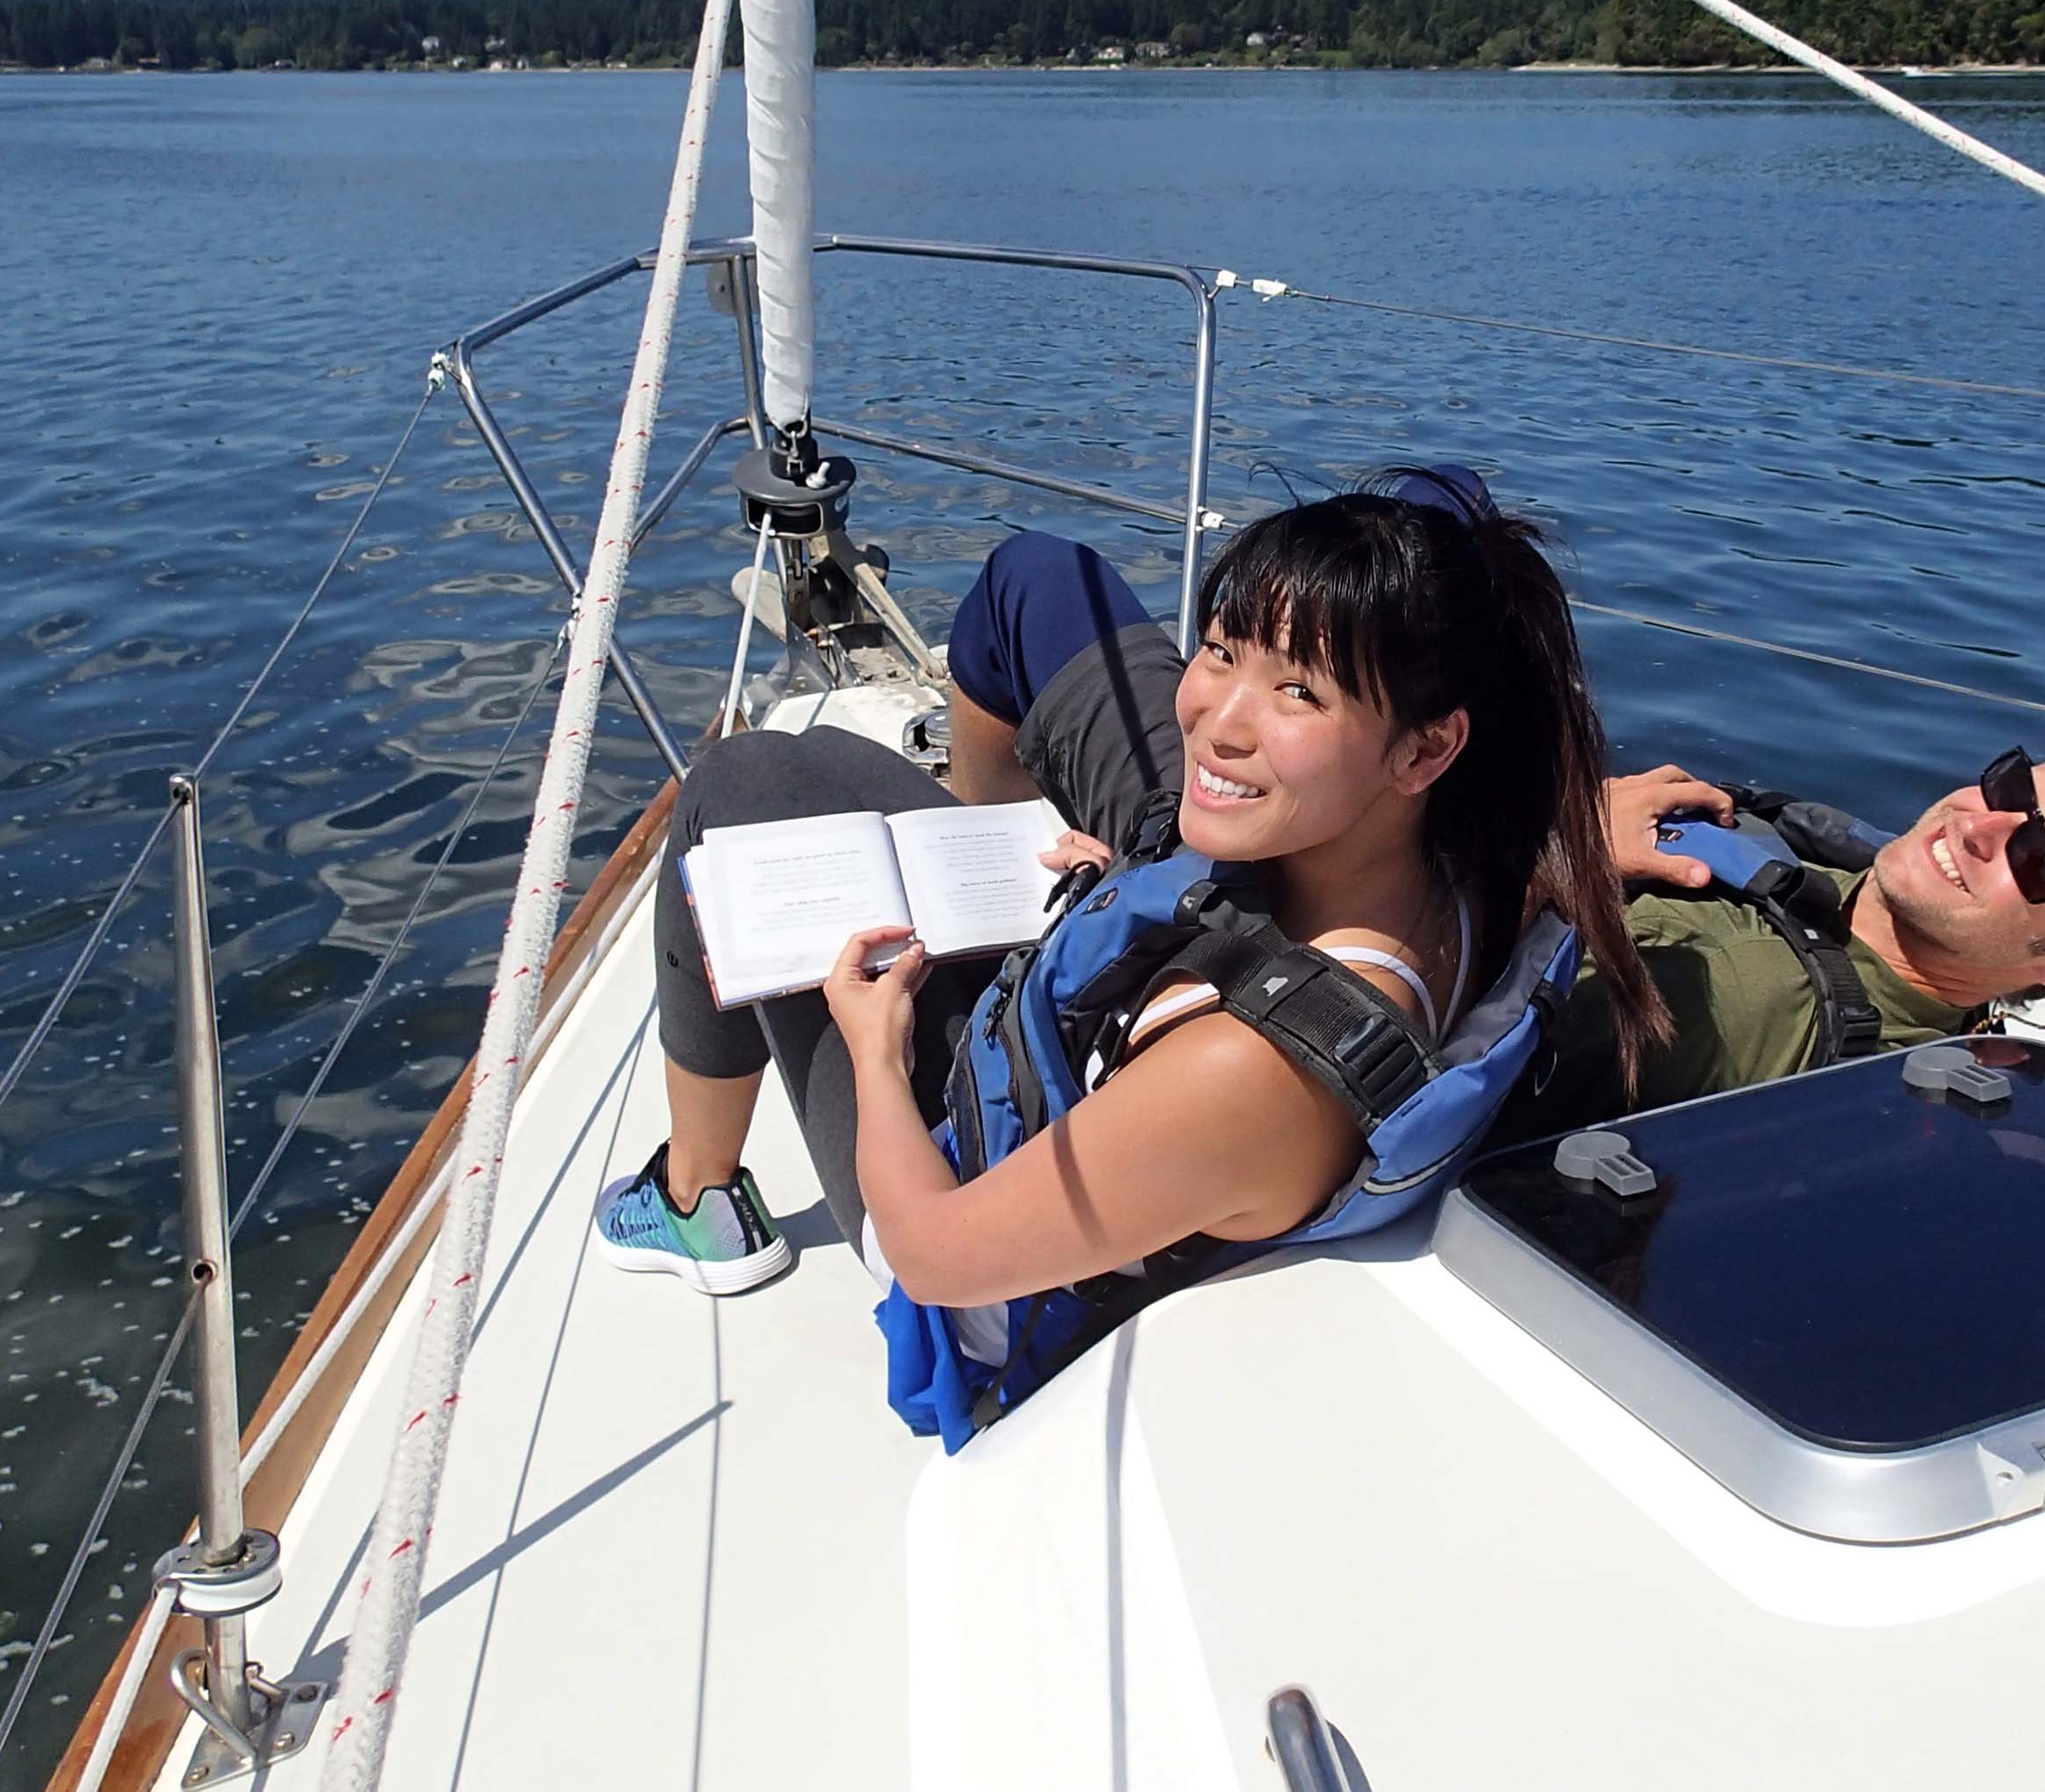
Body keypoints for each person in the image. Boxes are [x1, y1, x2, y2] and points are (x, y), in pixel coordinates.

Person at [592, 474, 1663, 1337]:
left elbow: (935, 1260)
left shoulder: (1250, 1071)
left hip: (965, 1193)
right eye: (1223, 651)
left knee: (739, 788)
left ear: (1428, 749)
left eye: (1300, 692)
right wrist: (1133, 891)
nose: (1214, 721)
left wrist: (875, 1049)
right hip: (1091, 1049)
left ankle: (699, 1208)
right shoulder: (1471, 856)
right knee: (972, 631)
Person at [1502, 735, 2045, 1131]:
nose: (1980, 824)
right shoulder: (1941, 1003)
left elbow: (1415, 1076)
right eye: (2012, 788)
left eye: (2038, 858)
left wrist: (1556, 853)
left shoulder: (1733, 992)